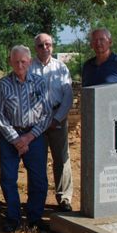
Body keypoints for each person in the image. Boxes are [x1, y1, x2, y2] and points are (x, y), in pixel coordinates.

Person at [0, 45, 52, 233]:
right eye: (16, 61)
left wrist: (29, 137)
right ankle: (13, 218)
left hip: (34, 136)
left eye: (23, 61)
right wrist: (15, 139)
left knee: (38, 180)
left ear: (29, 62)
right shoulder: (2, 84)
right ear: (10, 62)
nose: (20, 65)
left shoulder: (40, 83)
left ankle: (35, 218)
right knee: (8, 179)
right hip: (10, 137)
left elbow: (47, 113)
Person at [29, 33, 74, 212]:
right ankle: (37, 199)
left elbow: (68, 96)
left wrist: (57, 119)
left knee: (61, 158)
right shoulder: (29, 67)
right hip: (35, 120)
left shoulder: (61, 68)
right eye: (41, 45)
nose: (45, 48)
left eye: (48, 44)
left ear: (52, 46)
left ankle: (64, 198)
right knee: (36, 160)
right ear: (35, 49)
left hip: (57, 117)